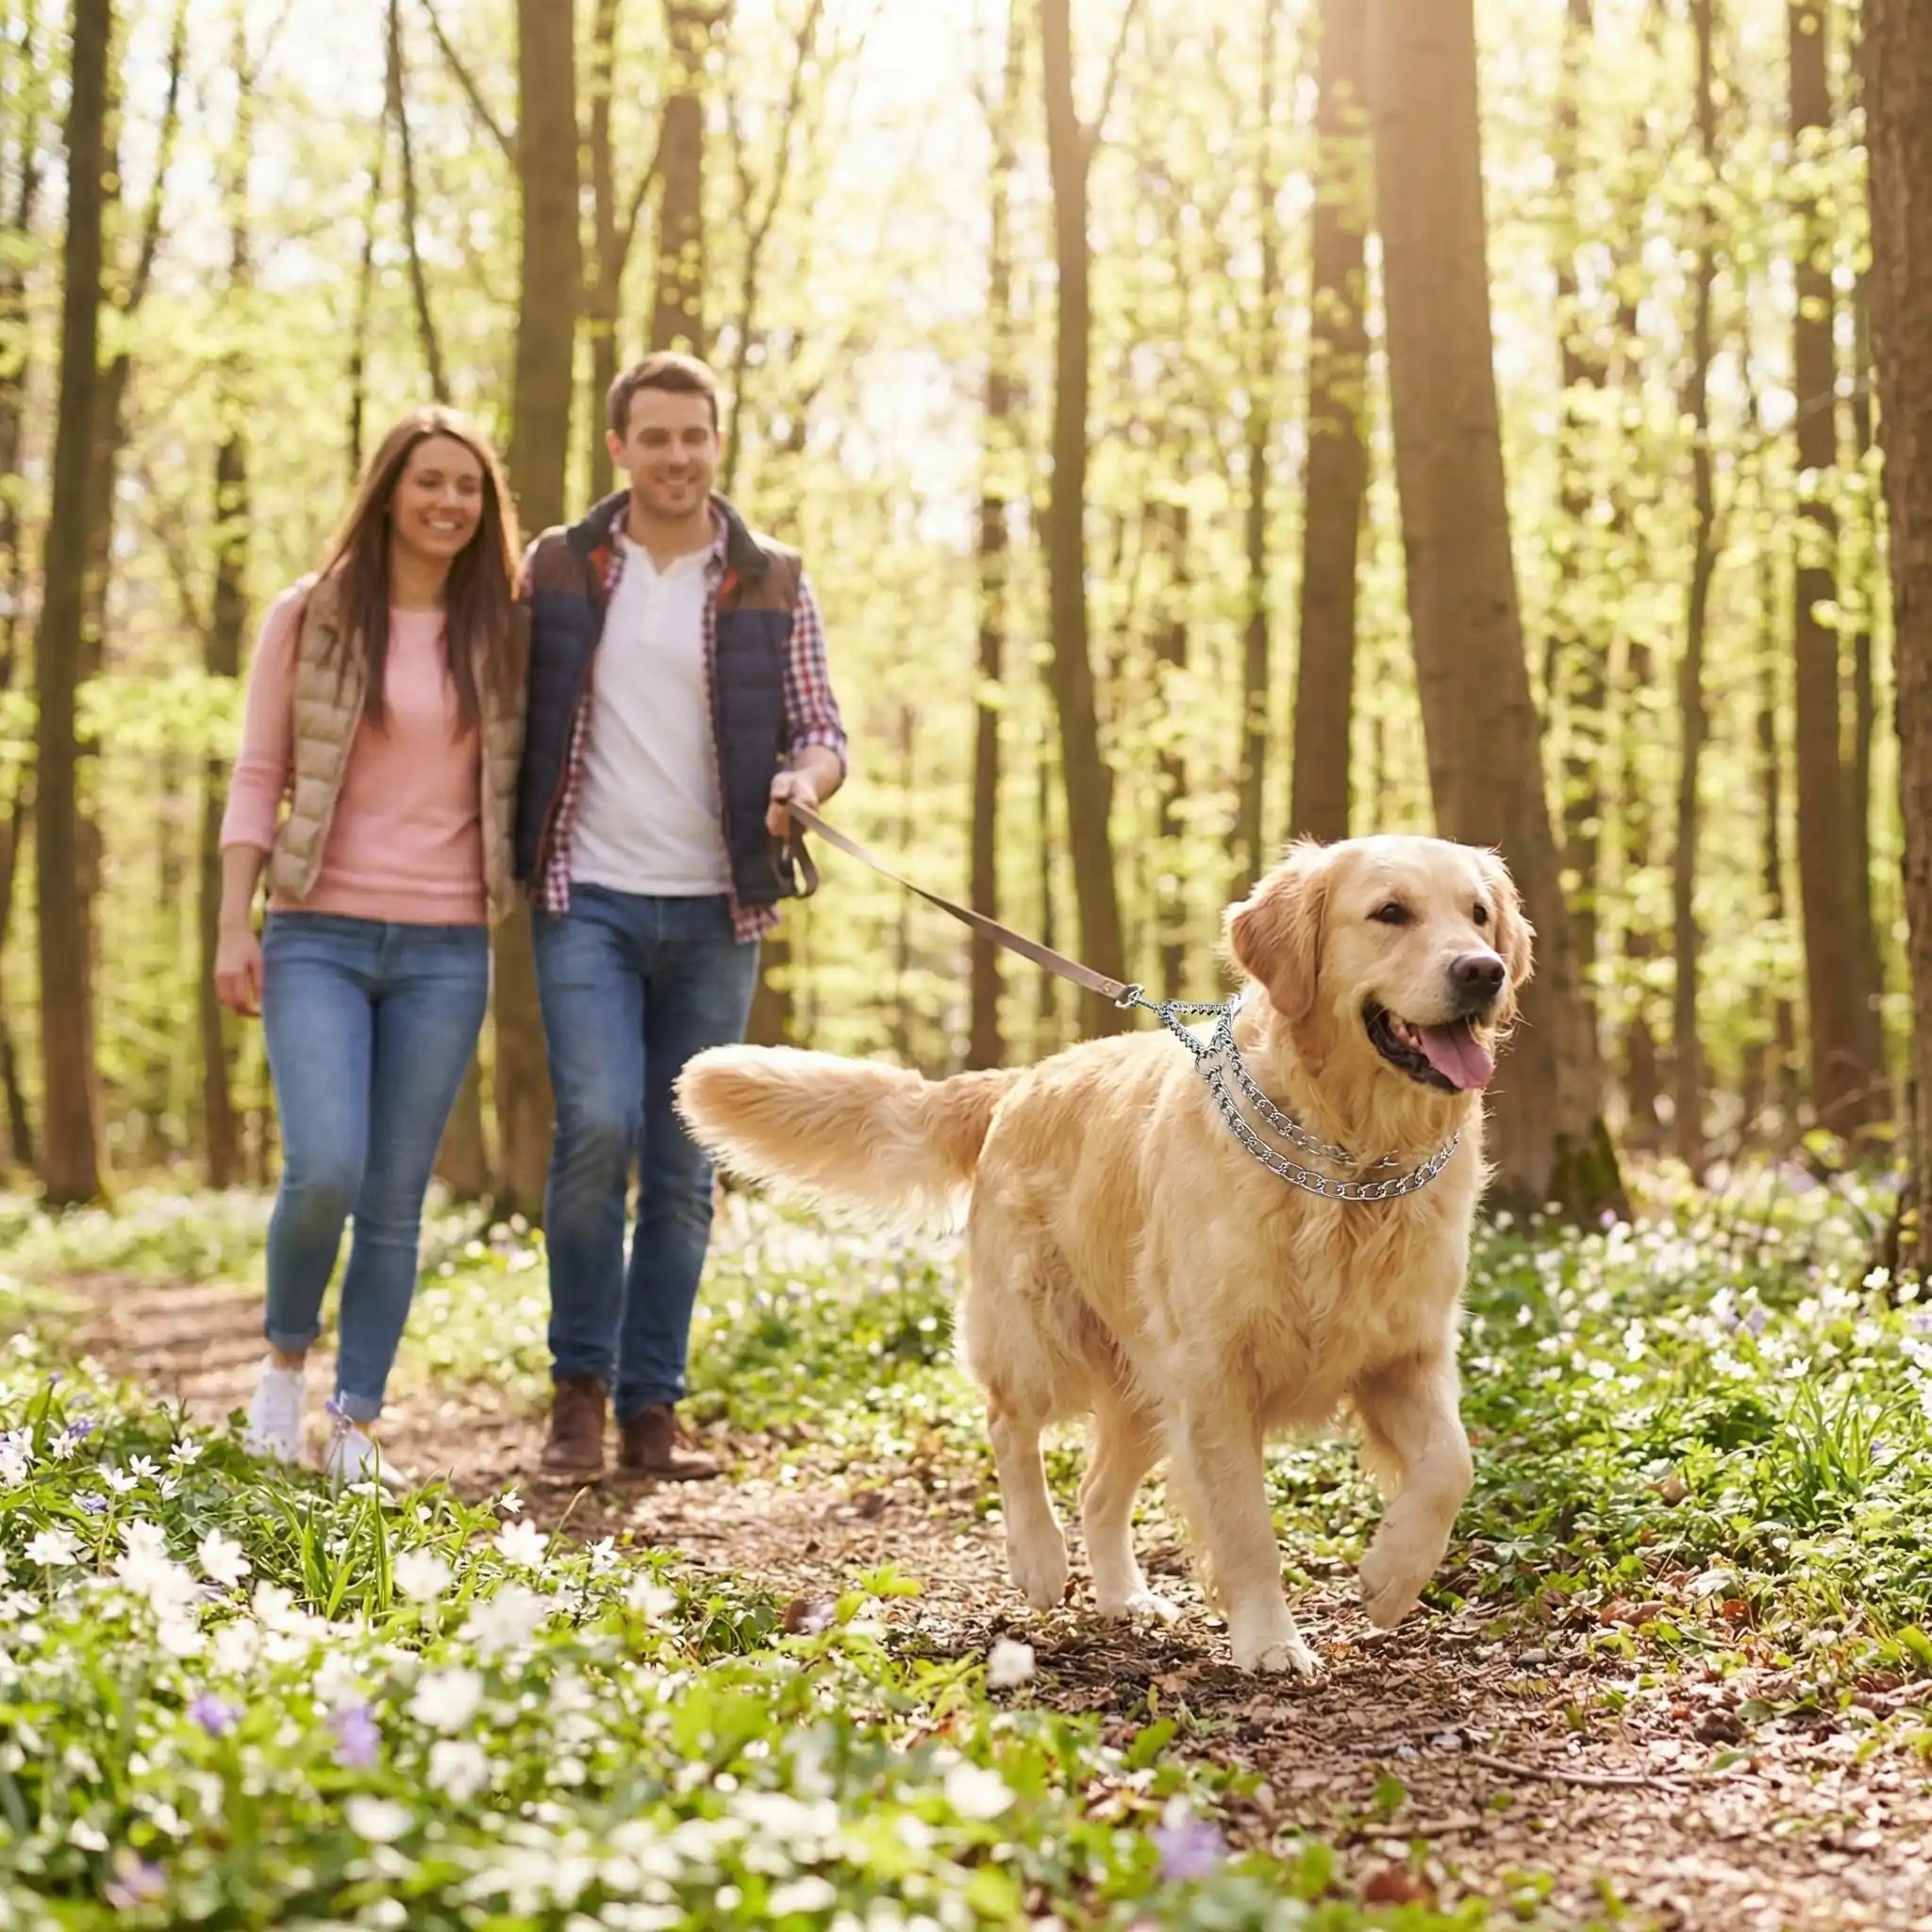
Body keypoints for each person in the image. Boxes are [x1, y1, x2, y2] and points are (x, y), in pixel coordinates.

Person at [517, 350, 848, 1480]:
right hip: (587, 898)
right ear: (618, 447)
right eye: (652, 437)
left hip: (719, 905)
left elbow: (822, 727)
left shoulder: (769, 573)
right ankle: (577, 1391)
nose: (675, 456)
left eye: (692, 436)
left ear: (716, 441)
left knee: (679, 1161)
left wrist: (803, 783)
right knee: (596, 1125)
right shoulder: (558, 566)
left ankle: (651, 1410)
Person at [215, 406, 526, 1485]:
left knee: (396, 1196)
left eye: (468, 487)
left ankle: (354, 1422)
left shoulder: (503, 627)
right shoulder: (313, 615)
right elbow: (259, 773)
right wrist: (231, 924)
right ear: (389, 489)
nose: (449, 502)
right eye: (429, 481)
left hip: (448, 945)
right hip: (316, 932)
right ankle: (279, 1368)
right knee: (324, 1167)